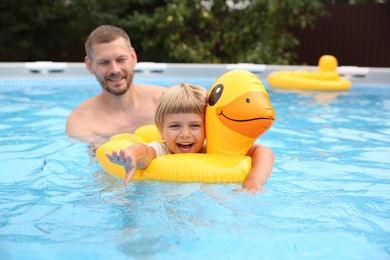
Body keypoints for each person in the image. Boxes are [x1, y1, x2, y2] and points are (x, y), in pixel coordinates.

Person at [106, 83, 274, 194]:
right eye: (175, 126)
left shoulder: (211, 148)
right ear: (161, 129)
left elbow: (262, 150)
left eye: (195, 126)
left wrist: (253, 180)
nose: (185, 134)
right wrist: (132, 155)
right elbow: (146, 152)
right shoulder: (163, 149)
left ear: (208, 128)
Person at [66, 25, 166, 143]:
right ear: (90, 65)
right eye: (104, 62)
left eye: (121, 59)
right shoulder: (81, 121)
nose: (115, 70)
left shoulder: (163, 102)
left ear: (133, 58)